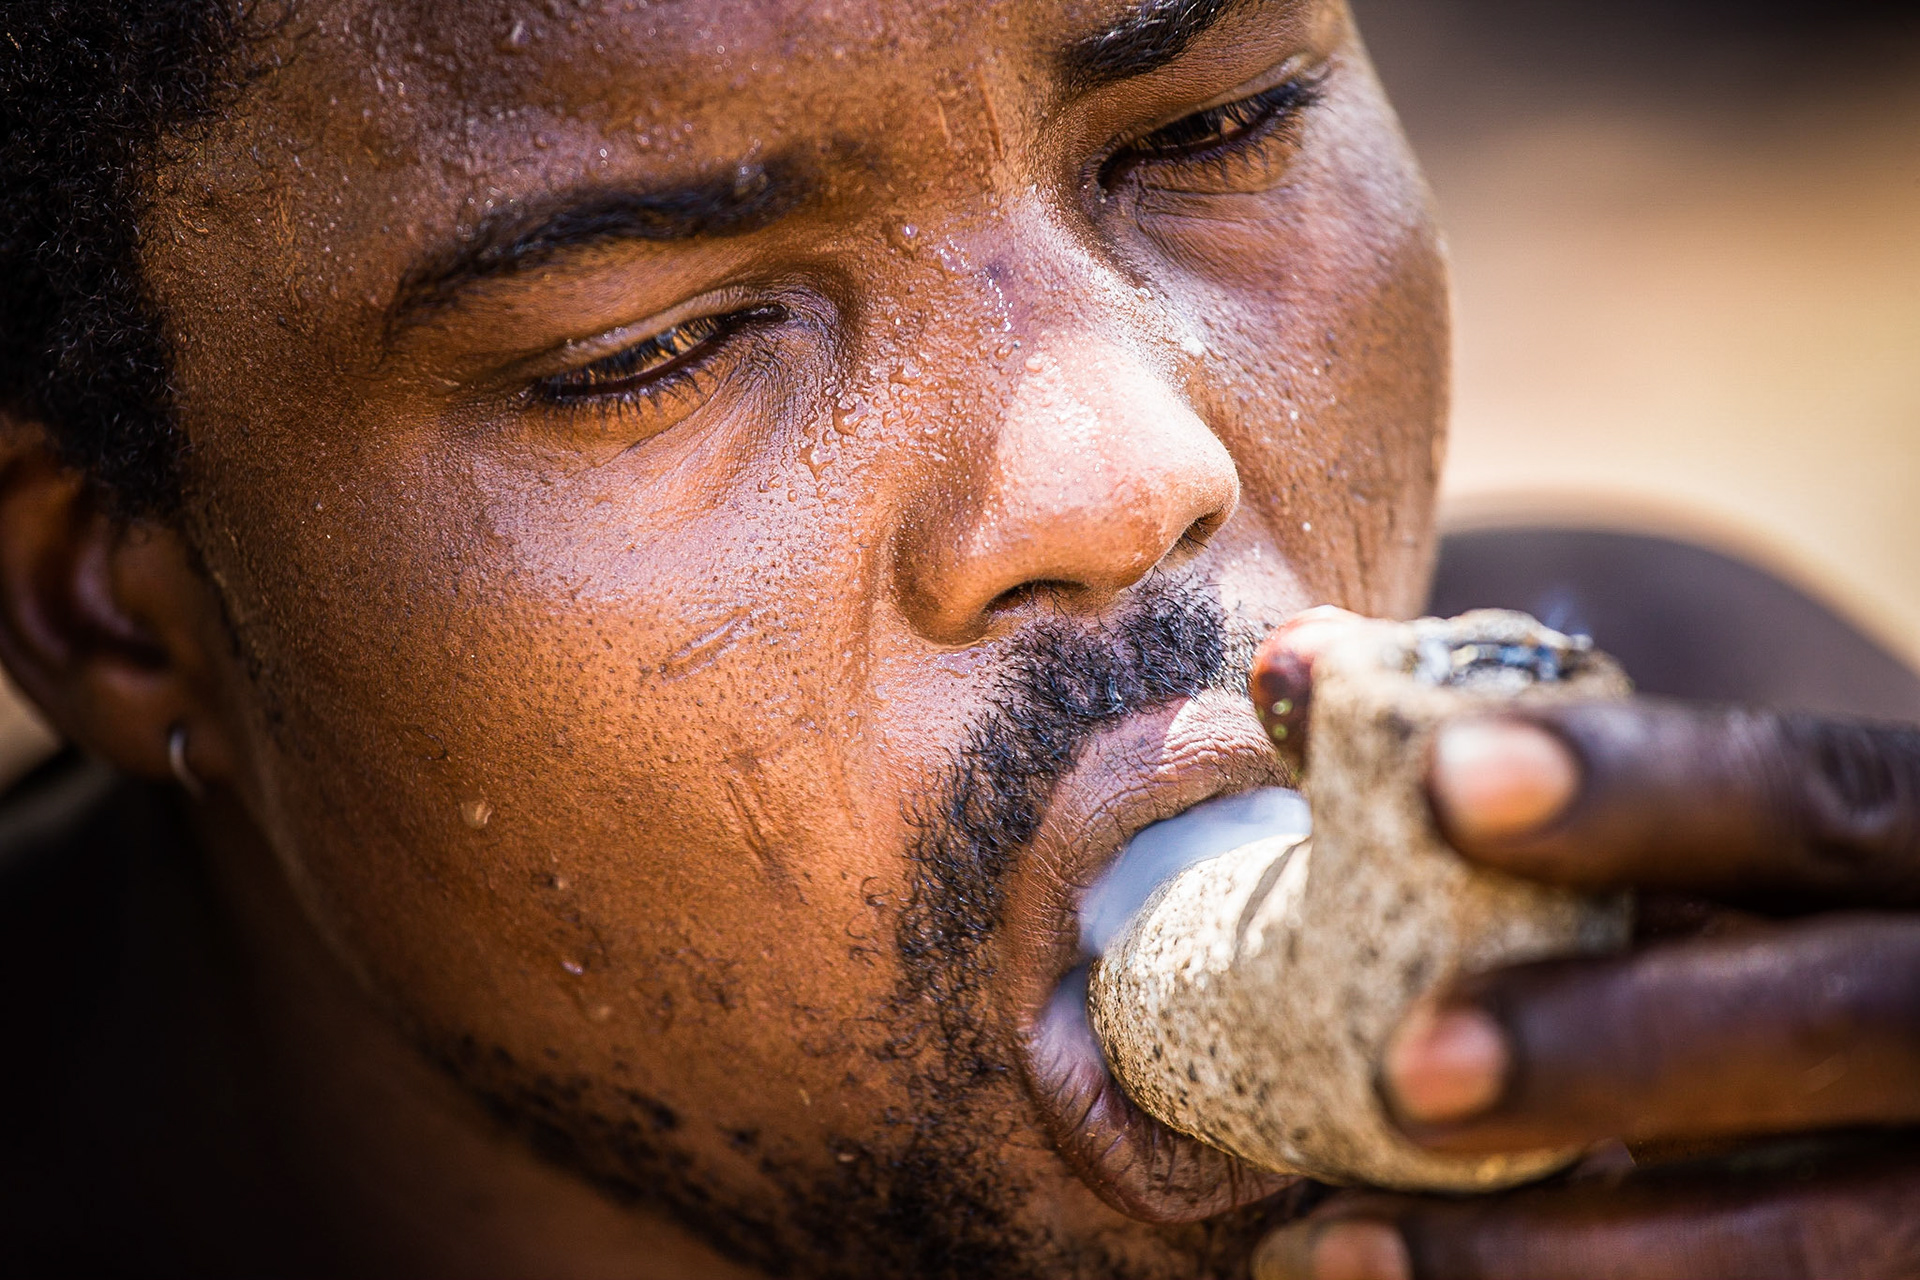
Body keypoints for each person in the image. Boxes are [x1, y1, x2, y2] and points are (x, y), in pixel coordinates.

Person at [0, 0, 1914, 1275]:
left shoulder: (1742, 829)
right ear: (114, 601)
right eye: (655, 347)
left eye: (1217, 126)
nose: (1129, 470)